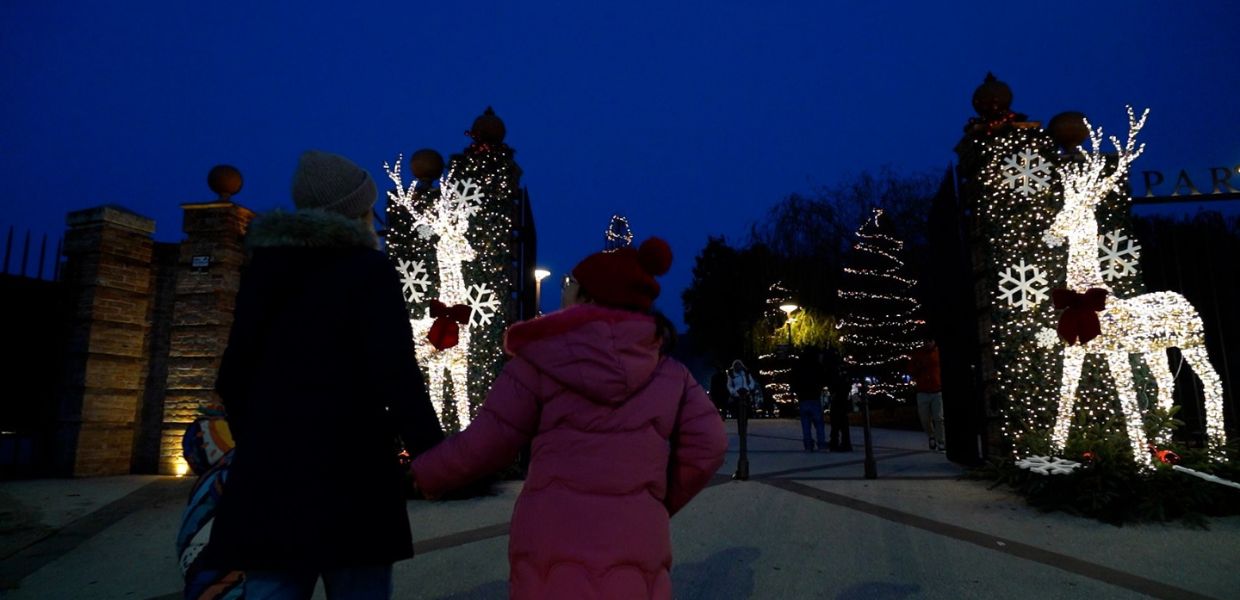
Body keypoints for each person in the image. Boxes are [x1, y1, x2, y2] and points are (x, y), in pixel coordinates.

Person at [411, 237, 727, 599]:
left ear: (587, 296)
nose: (562, 290)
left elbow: (487, 442)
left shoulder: (540, 360)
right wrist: (654, 502)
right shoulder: (672, 375)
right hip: (636, 544)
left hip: (551, 543)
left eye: (568, 284)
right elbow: (711, 445)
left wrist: (426, 474)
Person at [207, 150, 446, 599]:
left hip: (272, 479)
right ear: (354, 212)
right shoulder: (369, 272)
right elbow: (397, 376)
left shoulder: (264, 270)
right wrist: (436, 458)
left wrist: (260, 437)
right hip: (354, 479)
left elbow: (234, 373)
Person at [908, 339, 945, 452]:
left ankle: (941, 441)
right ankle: (931, 436)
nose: (928, 343)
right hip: (923, 390)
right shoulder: (918, 353)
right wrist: (918, 368)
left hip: (936, 390)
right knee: (924, 418)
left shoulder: (938, 353)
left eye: (930, 341)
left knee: (939, 418)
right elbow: (911, 369)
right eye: (926, 341)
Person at [793, 352, 827, 451]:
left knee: (806, 424)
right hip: (814, 397)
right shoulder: (817, 367)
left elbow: (794, 381)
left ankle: (808, 444)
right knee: (819, 423)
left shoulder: (799, 367)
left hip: (803, 398)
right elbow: (822, 379)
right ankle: (821, 443)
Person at [829, 379, 856, 452]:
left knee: (835, 426)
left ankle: (835, 444)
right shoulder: (845, 383)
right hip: (843, 404)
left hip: (837, 404)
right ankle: (845, 444)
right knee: (844, 426)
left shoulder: (835, 381)